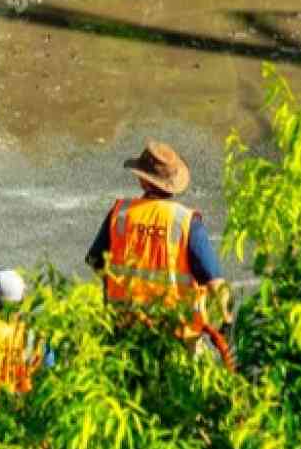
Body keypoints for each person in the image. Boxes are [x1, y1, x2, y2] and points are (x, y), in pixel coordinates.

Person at [86, 141, 234, 367]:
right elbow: (216, 284)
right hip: (178, 335)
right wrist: (227, 321)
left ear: (142, 179)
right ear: (173, 185)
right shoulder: (186, 222)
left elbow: (96, 262)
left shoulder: (121, 213)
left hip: (126, 333)